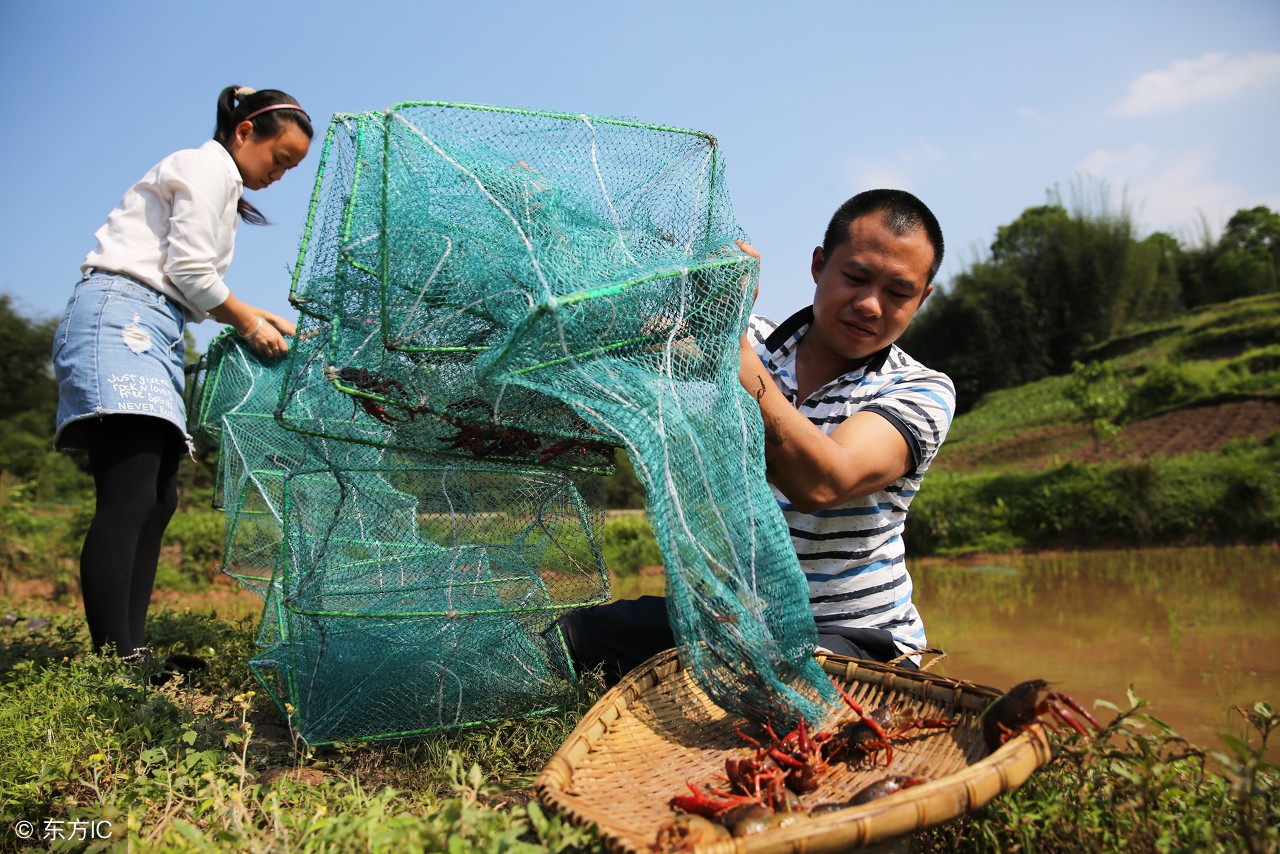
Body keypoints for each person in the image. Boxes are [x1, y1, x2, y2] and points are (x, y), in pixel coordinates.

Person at [560, 189, 954, 683]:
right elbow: (634, 332)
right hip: (735, 621)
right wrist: (698, 291)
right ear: (818, 266)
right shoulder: (753, 344)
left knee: (774, 687)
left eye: (898, 292)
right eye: (854, 278)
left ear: (923, 298)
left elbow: (824, 482)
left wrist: (728, 348)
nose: (870, 305)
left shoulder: (921, 389)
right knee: (578, 639)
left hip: (849, 632)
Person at [52, 86, 313, 671]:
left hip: (154, 324)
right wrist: (247, 320)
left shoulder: (221, 182)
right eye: (280, 158)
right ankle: (113, 664)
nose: (280, 174)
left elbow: (191, 285)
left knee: (159, 496)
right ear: (245, 133)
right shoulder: (203, 165)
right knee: (129, 494)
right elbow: (189, 271)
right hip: (120, 318)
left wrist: (253, 311)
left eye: (291, 167)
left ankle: (132, 653)